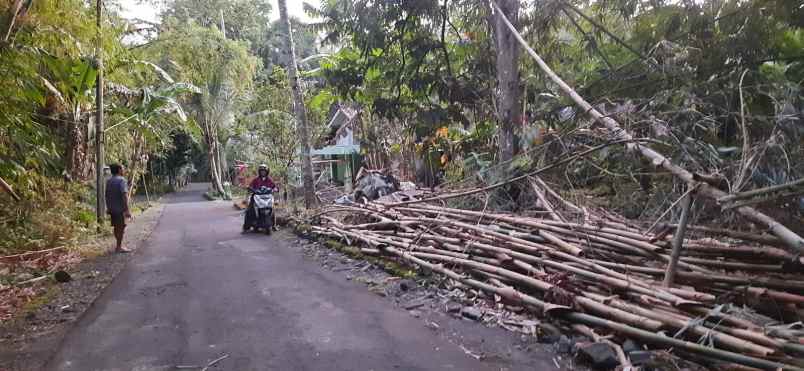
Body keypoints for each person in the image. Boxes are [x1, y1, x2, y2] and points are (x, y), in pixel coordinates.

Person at [106, 164, 132, 253]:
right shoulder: (122, 180)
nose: (124, 170)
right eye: (123, 169)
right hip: (120, 209)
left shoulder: (109, 181)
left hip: (112, 208)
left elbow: (107, 195)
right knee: (121, 227)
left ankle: (118, 245)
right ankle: (119, 247)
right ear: (119, 170)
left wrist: (108, 207)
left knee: (116, 227)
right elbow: (124, 195)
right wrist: (127, 209)